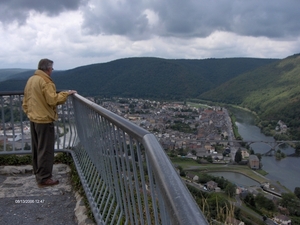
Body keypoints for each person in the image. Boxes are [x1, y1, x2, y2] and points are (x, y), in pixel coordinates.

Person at [22, 58, 77, 187]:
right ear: (48, 69)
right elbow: (52, 100)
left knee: (37, 148)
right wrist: (65, 94)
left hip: (34, 118)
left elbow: (25, 101)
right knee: (46, 150)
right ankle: (45, 178)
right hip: (44, 120)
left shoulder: (31, 80)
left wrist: (30, 113)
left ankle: (38, 173)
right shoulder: (46, 81)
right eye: (52, 69)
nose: (52, 71)